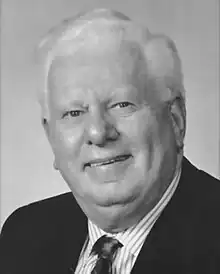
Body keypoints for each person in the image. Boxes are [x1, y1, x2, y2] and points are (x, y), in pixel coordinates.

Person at [0, 8, 219, 274]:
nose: (98, 133)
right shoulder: (22, 236)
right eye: (74, 113)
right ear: (50, 136)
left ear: (176, 120)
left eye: (121, 104)